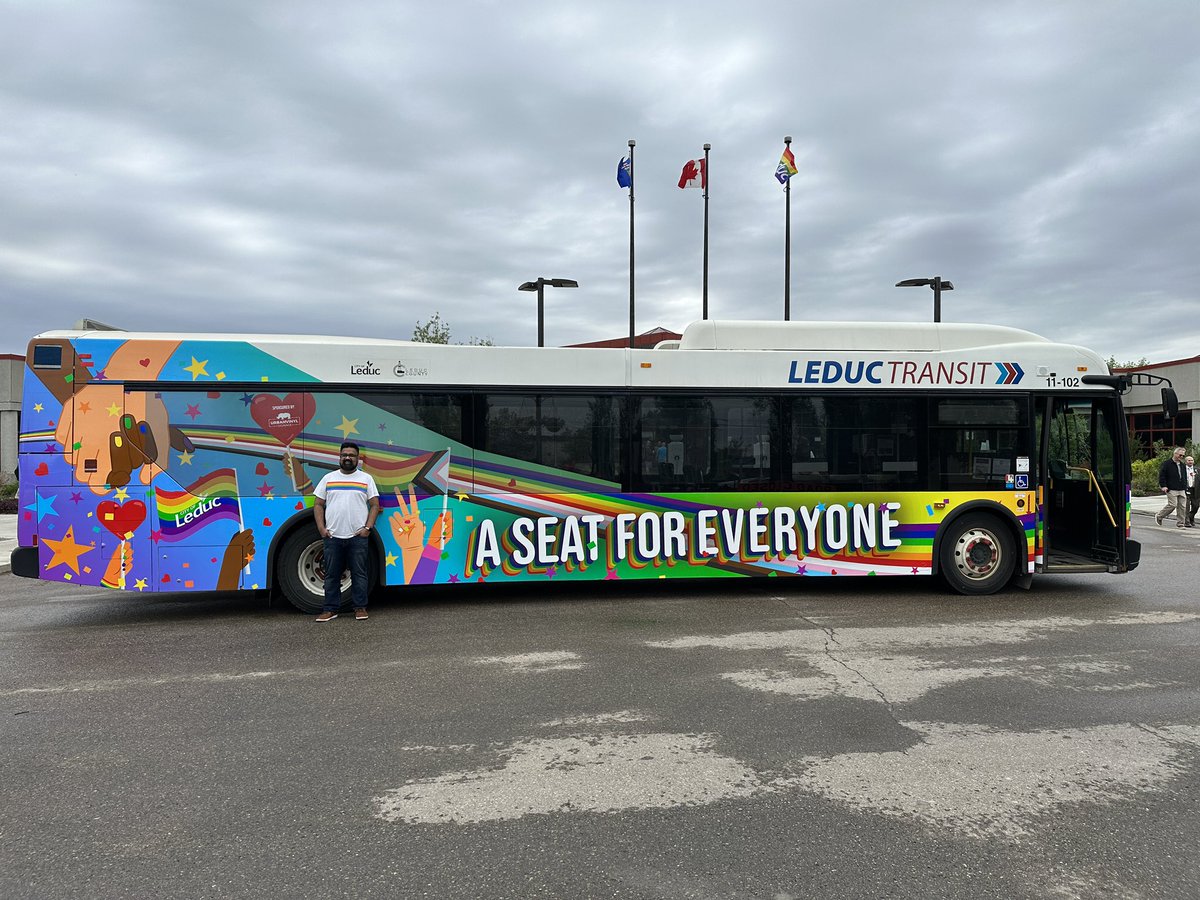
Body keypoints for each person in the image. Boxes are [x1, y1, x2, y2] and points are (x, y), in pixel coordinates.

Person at [313, 442, 380, 621]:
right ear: (340, 457)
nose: (348, 458)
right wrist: (321, 528)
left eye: (351, 455)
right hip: (333, 536)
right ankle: (330, 609)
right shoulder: (328, 478)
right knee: (331, 575)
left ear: (358, 458)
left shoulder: (366, 479)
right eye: (344, 455)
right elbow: (318, 504)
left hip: (358, 537)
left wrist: (367, 528)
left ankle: (360, 608)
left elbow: (374, 505)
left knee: (359, 573)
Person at [1155, 447, 1189, 528]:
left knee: (1182, 507)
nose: (1181, 457)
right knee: (1173, 505)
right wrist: (1163, 486)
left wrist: (1186, 486)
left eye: (1183, 456)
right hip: (1171, 488)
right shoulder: (1167, 464)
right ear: (1175, 454)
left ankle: (1180, 523)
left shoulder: (1182, 465)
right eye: (1180, 455)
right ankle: (1159, 516)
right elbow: (1162, 475)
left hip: (1182, 488)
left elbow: (1184, 476)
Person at [1186, 454, 1198, 527]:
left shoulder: (1197, 470)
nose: (1190, 461)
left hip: (1195, 490)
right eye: (1189, 460)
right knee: (1186, 506)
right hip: (1186, 489)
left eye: (1192, 460)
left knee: (1195, 506)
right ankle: (1187, 522)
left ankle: (1191, 517)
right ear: (1186, 461)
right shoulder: (1183, 469)